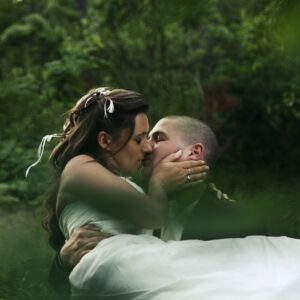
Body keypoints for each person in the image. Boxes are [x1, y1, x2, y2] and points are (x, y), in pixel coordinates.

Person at [47, 110, 300, 299]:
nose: (146, 148)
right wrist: (62, 262)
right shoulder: (125, 203)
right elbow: (65, 287)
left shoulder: (239, 220)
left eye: (157, 139)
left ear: (193, 153)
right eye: (144, 139)